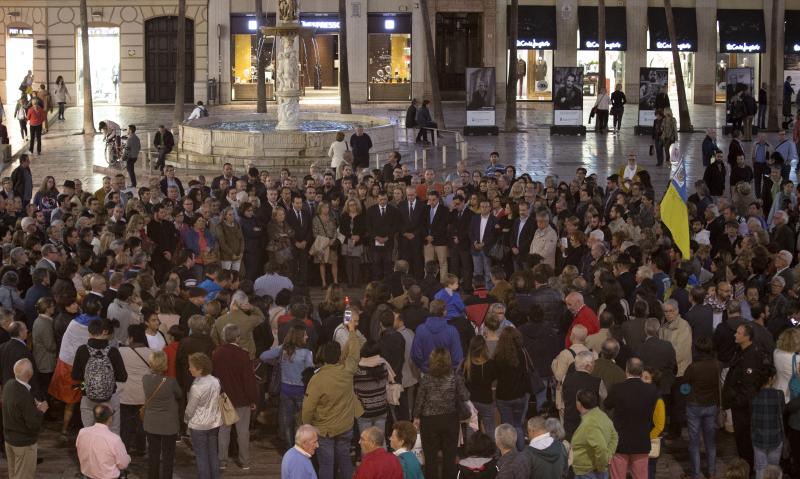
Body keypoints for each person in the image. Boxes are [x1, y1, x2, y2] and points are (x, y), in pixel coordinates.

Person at [302, 316, 363, 479]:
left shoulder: (318, 379)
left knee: (327, 464)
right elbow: (354, 352)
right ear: (339, 356)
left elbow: (308, 407)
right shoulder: (347, 371)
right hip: (346, 425)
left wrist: (306, 425)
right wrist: (351, 330)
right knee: (345, 461)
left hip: (324, 429)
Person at [413, 347, 469, 479]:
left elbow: (419, 400)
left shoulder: (426, 378)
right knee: (449, 458)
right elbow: (465, 396)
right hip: (450, 420)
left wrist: (416, 416)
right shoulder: (455, 377)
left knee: (430, 458)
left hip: (429, 421)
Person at [722, 323, 767, 472]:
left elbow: (749, 386)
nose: (735, 335)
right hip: (739, 404)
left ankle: (747, 469)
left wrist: (737, 400)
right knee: (741, 439)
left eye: (739, 333)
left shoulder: (751, 356)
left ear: (747, 337)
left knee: (744, 439)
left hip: (744, 407)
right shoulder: (740, 351)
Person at [213, 323, 258, 470]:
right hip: (242, 399)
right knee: (243, 432)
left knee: (224, 431)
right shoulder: (243, 355)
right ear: (237, 337)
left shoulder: (217, 353)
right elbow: (249, 380)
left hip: (224, 397)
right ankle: (244, 461)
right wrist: (252, 399)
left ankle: (222, 462)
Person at [2, 358, 47, 479]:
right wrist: (41, 410)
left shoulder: (9, 384)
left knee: (13, 474)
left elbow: (17, 408)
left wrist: (32, 405)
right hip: (23, 444)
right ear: (29, 374)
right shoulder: (24, 395)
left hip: (9, 440)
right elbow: (33, 424)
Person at [683, 337, 720, 479]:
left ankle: (696, 474)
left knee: (694, 442)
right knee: (710, 441)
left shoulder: (693, 367)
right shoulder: (717, 365)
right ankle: (711, 472)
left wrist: (687, 392)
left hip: (694, 405)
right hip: (711, 405)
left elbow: (684, 387)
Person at [141, 350, 182, 479]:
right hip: (169, 423)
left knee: (153, 453)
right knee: (168, 455)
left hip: (151, 422)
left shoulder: (145, 379)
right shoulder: (171, 381)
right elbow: (179, 394)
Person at [185, 352, 223, 479]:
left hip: (199, 425)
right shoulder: (215, 381)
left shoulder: (197, 387)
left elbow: (190, 409)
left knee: (201, 457)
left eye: (191, 366)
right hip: (214, 422)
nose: (189, 369)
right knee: (213, 454)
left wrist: (186, 419)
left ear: (200, 369)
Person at [571, 389, 618, 479]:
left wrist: (601, 466)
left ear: (579, 404)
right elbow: (614, 436)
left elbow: (601, 447)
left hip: (589, 472)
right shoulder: (601, 414)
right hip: (594, 470)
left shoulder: (590, 424)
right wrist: (609, 454)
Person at [76, 404, 131, 479]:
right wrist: (128, 458)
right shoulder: (114, 439)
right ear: (110, 418)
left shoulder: (82, 432)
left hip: (87, 475)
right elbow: (123, 464)